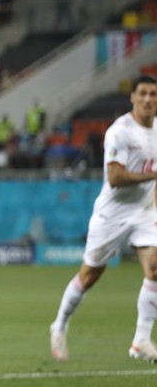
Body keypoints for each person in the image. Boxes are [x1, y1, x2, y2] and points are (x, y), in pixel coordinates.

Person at [50, 74, 157, 362]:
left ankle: (141, 341)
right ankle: (59, 324)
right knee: (89, 275)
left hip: (144, 212)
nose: (148, 100)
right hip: (112, 214)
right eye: (143, 94)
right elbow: (115, 177)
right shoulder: (120, 131)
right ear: (132, 97)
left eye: (153, 95)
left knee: (156, 267)